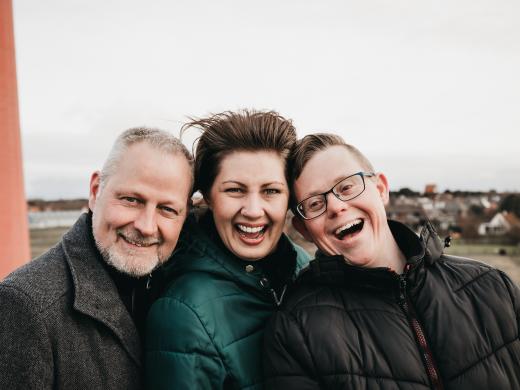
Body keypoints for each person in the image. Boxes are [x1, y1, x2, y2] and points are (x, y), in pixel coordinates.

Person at [263, 133, 520, 389]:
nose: (336, 206)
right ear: (304, 229)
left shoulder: (493, 287)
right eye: (315, 202)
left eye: (346, 186)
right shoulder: (294, 331)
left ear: (381, 189)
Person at [0, 127, 194, 389]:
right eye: (131, 200)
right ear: (95, 191)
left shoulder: (183, 289)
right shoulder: (26, 305)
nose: (147, 226)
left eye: (167, 209)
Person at [145, 110, 310, 389]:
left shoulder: (305, 267)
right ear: (208, 195)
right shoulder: (182, 313)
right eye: (235, 190)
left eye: (271, 191)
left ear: (290, 197)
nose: (254, 211)